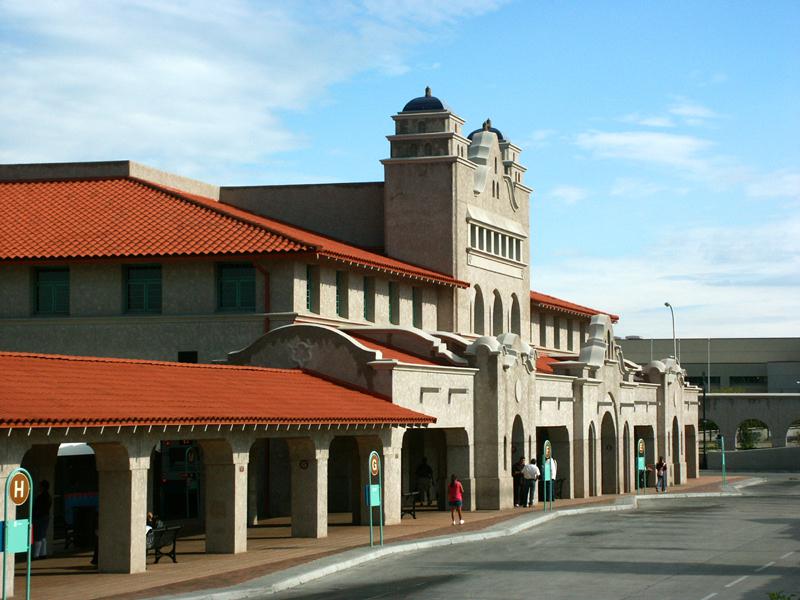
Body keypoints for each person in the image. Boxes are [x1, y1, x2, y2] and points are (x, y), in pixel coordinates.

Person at [32, 480, 52, 559]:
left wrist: (35, 516)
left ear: (43, 487)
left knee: (38, 536)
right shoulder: (48, 496)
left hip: (40, 517)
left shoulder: (41, 497)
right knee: (43, 535)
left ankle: (36, 555)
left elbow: (37, 508)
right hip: (45, 516)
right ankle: (43, 553)